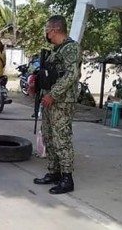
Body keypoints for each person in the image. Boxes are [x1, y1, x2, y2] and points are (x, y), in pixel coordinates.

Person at [33, 15, 82, 194]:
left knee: (62, 138)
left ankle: (67, 178)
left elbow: (71, 75)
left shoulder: (71, 48)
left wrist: (53, 95)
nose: (46, 33)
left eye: (47, 30)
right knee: (49, 136)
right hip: (49, 100)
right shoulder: (56, 50)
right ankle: (54, 172)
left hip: (61, 101)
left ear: (54, 30)